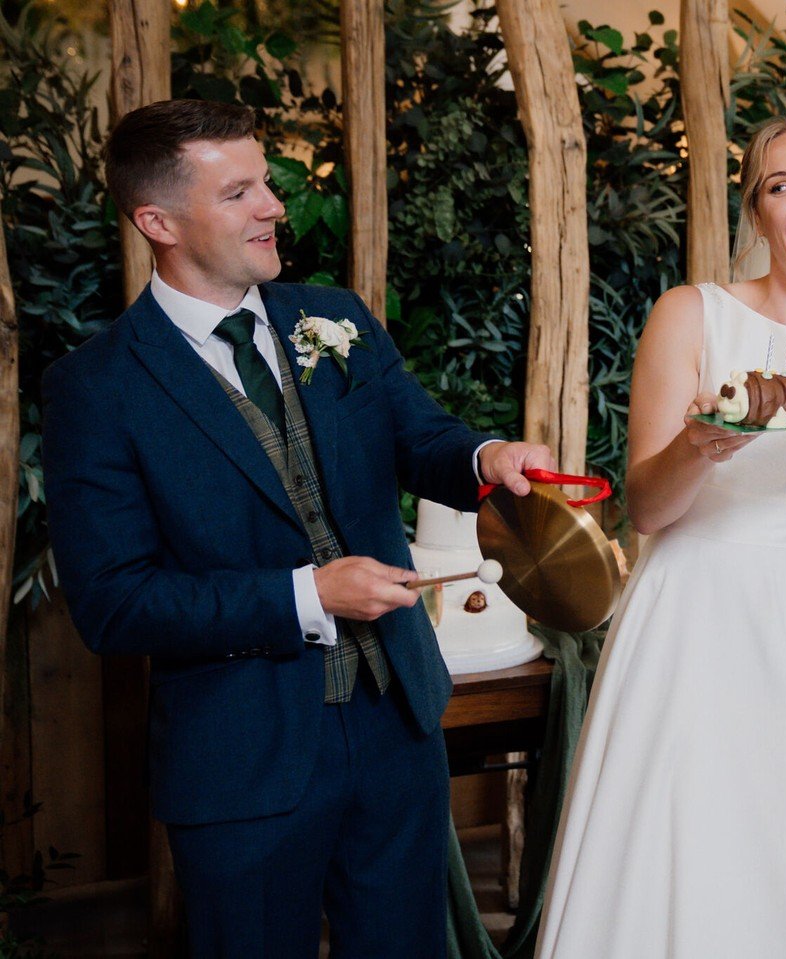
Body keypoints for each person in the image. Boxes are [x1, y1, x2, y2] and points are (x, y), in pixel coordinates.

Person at [41, 99, 555, 956]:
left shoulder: (335, 316)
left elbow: (421, 439)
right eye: (239, 192)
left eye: (267, 185)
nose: (274, 207)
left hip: (396, 722)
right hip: (240, 759)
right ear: (156, 221)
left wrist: (486, 458)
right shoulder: (96, 390)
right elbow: (115, 603)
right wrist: (306, 596)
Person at [534, 115, 786, 958]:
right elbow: (647, 509)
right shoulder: (691, 316)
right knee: (687, 843)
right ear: (756, 217)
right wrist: (698, 446)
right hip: (690, 616)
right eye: (777, 184)